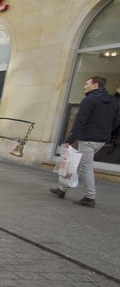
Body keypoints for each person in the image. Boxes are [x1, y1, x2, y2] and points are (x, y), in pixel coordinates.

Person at [49, 76, 120, 207]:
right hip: (102, 139)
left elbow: (80, 122)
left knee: (86, 168)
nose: (84, 86)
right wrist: (105, 132)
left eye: (87, 83)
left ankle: (90, 196)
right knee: (80, 165)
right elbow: (116, 122)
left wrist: (69, 139)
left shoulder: (89, 100)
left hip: (88, 138)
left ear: (95, 85)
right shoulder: (113, 101)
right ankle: (62, 189)